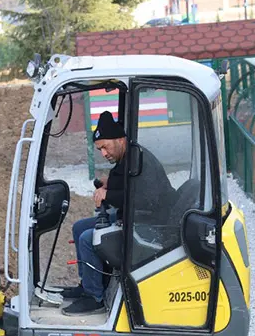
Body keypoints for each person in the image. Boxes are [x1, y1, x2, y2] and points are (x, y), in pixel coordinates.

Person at [59, 110, 171, 315]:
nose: (103, 153)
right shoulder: (128, 157)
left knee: (87, 238)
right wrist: (109, 184)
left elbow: (141, 198)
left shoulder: (137, 160)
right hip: (134, 217)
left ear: (120, 139)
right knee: (79, 227)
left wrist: (108, 194)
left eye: (105, 147)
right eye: (100, 149)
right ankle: (88, 285)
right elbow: (127, 186)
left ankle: (95, 297)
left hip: (147, 225)